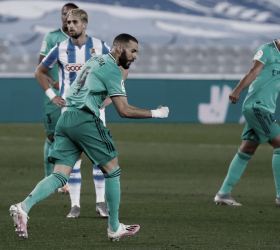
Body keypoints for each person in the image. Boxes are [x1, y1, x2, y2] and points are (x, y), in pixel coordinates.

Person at [10, 33, 169, 241]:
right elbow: (124, 110)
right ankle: (114, 228)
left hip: (66, 118)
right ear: (119, 48)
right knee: (112, 169)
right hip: (84, 120)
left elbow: (94, 93)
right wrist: (156, 113)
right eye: (133, 51)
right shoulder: (112, 68)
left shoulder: (94, 60)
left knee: (59, 176)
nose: (136, 56)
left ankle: (23, 207)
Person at [214, 22, 280, 207]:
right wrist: (237, 90)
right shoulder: (266, 50)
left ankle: (223, 194)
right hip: (257, 107)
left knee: (247, 150)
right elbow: (253, 71)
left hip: (264, 108)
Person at [39, 7, 125, 218]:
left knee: (99, 158)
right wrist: (52, 96)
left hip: (95, 110)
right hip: (70, 112)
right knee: (73, 158)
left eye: (74, 22)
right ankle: (75, 205)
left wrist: (109, 98)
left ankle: (100, 203)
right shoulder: (59, 48)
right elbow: (39, 71)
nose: (70, 26)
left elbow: (119, 68)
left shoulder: (100, 46)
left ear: (84, 24)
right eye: (68, 23)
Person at [39, 2, 78, 193]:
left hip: (77, 98)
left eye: (70, 14)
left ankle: (65, 179)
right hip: (56, 97)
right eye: (64, 14)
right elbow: (40, 69)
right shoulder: (52, 37)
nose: (66, 17)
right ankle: (50, 178)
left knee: (73, 138)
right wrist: (54, 85)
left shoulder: (84, 42)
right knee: (52, 136)